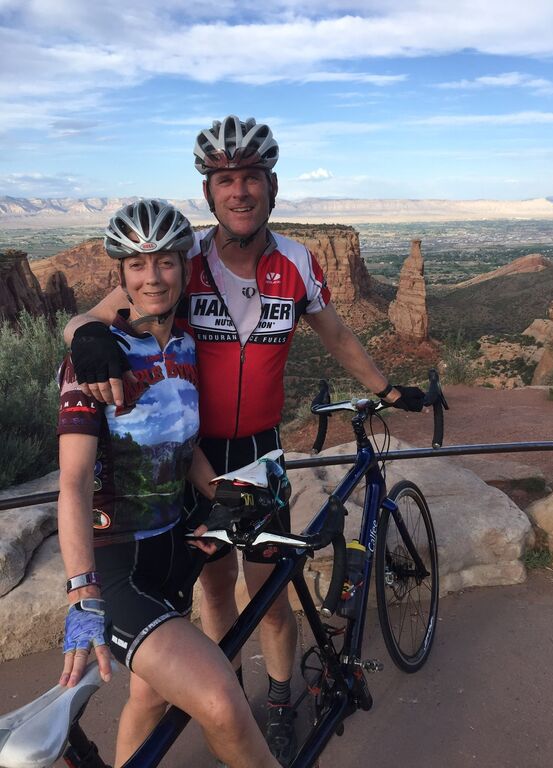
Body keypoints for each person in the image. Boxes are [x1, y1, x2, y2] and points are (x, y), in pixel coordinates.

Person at [63, 116, 425, 766]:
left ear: (271, 185)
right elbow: (95, 318)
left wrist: (387, 388)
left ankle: (280, 696)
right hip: (196, 463)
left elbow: (337, 334)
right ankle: (223, 694)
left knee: (274, 594)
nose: (239, 191)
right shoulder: (182, 261)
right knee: (213, 589)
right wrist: (87, 337)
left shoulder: (297, 261)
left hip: (260, 458)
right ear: (209, 193)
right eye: (225, 179)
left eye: (251, 177)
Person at [57, 198, 281, 768]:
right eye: (137, 265)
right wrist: (82, 596)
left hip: (175, 552)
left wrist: (236, 501)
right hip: (118, 569)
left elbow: (184, 451)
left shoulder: (181, 346)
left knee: (150, 698)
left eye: (164, 262)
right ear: (121, 276)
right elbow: (75, 483)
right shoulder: (95, 361)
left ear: (184, 268)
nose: (152, 277)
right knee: (221, 702)